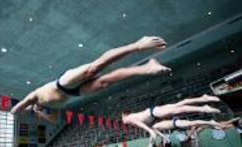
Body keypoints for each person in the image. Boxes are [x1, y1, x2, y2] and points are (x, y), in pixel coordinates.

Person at [11, 36, 170, 122]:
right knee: (105, 82)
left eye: (28, 110)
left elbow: (19, 107)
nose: (28, 110)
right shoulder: (45, 108)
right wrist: (42, 113)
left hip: (62, 83)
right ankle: (146, 68)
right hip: (74, 93)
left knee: (93, 68)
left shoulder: (34, 97)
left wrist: (14, 112)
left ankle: (137, 45)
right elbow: (56, 119)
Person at [122, 94, 221, 147]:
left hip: (154, 112)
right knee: (179, 105)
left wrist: (150, 131)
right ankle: (203, 99)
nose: (122, 121)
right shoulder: (132, 119)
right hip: (154, 112)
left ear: (124, 115)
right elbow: (147, 126)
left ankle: (203, 108)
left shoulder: (128, 119)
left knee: (180, 108)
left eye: (122, 117)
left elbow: (141, 124)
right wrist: (159, 136)